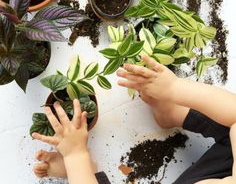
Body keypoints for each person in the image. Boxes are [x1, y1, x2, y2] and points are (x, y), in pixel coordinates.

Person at [33, 55, 236, 184]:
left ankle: (86, 172)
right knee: (229, 123)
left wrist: (75, 157)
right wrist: (174, 89)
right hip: (224, 170)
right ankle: (172, 114)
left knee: (79, 166)